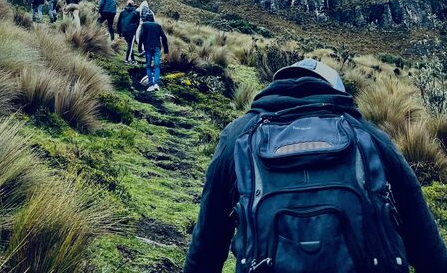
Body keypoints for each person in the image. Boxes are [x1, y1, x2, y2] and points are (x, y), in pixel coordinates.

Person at [183, 57, 447, 273]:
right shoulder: (370, 136)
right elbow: (425, 244)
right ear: (336, 91)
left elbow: (207, 246)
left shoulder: (238, 136)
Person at [136, 9, 168, 92]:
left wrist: (139, 47)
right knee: (157, 65)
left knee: (148, 66)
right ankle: (156, 84)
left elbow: (141, 36)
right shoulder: (158, 25)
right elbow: (164, 37)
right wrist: (166, 50)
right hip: (157, 47)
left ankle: (151, 85)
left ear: (145, 18)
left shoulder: (144, 25)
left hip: (148, 48)